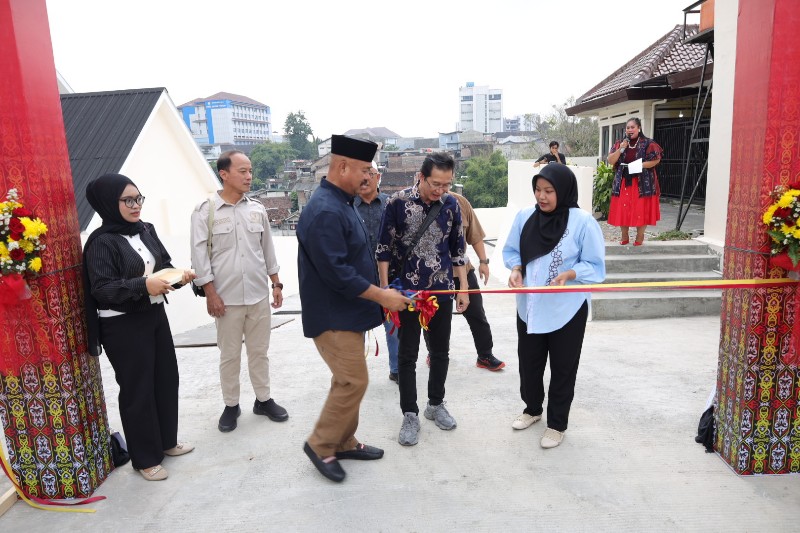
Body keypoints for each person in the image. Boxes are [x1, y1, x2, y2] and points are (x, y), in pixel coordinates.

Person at [297, 134, 410, 483]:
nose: (367, 177)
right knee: (353, 381)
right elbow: (337, 273)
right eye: (363, 170)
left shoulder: (341, 202)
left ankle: (343, 441)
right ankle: (321, 444)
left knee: (347, 381)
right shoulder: (325, 210)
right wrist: (382, 295)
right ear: (342, 166)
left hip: (347, 314)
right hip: (333, 316)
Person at [83, 173, 196, 481]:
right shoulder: (101, 242)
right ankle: (145, 457)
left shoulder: (145, 229)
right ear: (109, 203)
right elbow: (103, 289)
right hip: (122, 324)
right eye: (128, 200)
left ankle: (166, 442)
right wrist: (145, 284)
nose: (136, 206)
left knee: (165, 378)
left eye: (138, 198)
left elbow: (162, 264)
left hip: (154, 315)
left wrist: (178, 276)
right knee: (138, 389)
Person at [502, 164, 605, 449]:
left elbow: (596, 265)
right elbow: (512, 251)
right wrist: (515, 269)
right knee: (529, 364)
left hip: (566, 309)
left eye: (549, 191)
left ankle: (557, 423)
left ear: (564, 191)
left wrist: (571, 274)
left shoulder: (582, 221)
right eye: (538, 190)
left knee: (563, 368)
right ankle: (532, 410)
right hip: (530, 306)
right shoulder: (525, 217)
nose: (542, 197)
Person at [377, 152, 470, 447]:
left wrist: (463, 287)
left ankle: (435, 404)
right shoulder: (397, 203)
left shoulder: (451, 205)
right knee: (407, 355)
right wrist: (383, 291)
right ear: (421, 176)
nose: (440, 190)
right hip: (406, 293)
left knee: (440, 352)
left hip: (440, 290)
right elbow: (383, 250)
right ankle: (410, 413)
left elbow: (458, 251)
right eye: (435, 184)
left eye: (446, 184)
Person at [191, 150, 287, 433]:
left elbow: (267, 249)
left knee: (260, 352)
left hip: (258, 295)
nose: (248, 176)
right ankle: (231, 405)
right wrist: (210, 293)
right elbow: (199, 257)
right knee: (230, 354)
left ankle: (263, 400)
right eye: (242, 171)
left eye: (250, 171)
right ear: (224, 174)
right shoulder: (205, 211)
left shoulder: (256, 209)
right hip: (226, 299)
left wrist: (276, 283)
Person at [423, 191, 505, 371]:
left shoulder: (460, 202)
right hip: (432, 276)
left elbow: (474, 235)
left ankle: (485, 355)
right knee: (432, 318)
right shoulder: (419, 202)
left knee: (476, 313)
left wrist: (484, 262)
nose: (441, 187)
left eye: (446, 181)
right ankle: (434, 353)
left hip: (463, 272)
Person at [355, 161, 400, 383]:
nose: (364, 178)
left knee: (394, 328)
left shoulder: (391, 205)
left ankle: (397, 369)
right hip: (358, 281)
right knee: (356, 330)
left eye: (369, 173)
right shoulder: (348, 207)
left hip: (390, 279)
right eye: (361, 173)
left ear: (378, 176)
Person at [606, 117, 663, 245]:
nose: (630, 130)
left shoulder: (648, 143)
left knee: (640, 209)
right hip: (623, 181)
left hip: (642, 182)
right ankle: (624, 236)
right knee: (623, 208)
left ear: (639, 128)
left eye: (632, 127)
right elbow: (610, 161)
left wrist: (640, 165)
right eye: (628, 128)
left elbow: (656, 160)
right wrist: (620, 149)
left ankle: (640, 236)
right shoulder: (619, 143)